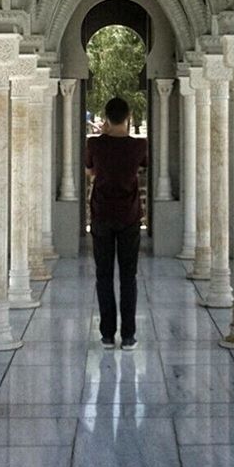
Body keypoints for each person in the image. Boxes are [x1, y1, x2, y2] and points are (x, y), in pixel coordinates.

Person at [85, 96, 147, 350]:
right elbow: (142, 168)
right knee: (128, 277)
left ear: (106, 117)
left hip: (101, 216)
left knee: (104, 275)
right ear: (128, 116)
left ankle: (108, 335)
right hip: (130, 217)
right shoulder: (139, 146)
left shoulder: (95, 145)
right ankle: (129, 335)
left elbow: (90, 171)